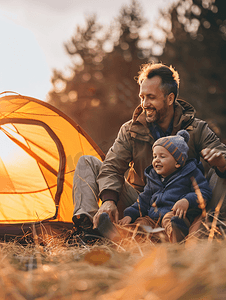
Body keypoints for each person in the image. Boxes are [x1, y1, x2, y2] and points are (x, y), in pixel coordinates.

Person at [72, 62, 226, 236]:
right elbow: (111, 167)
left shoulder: (196, 129)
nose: (144, 104)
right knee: (87, 162)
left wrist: (221, 163)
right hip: (142, 203)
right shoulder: (130, 130)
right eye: (142, 97)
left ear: (170, 98)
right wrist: (108, 200)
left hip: (186, 208)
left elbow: (220, 154)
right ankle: (88, 231)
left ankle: (207, 231)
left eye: (151, 97)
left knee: (223, 170)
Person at [118, 130, 212, 242]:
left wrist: (187, 200)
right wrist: (130, 214)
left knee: (170, 219)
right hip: (153, 220)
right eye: (154, 156)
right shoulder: (153, 177)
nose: (156, 160)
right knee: (141, 222)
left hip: (175, 215)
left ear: (177, 162)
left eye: (162, 156)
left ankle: (176, 236)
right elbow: (143, 200)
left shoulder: (190, 173)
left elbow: (204, 191)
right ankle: (120, 234)